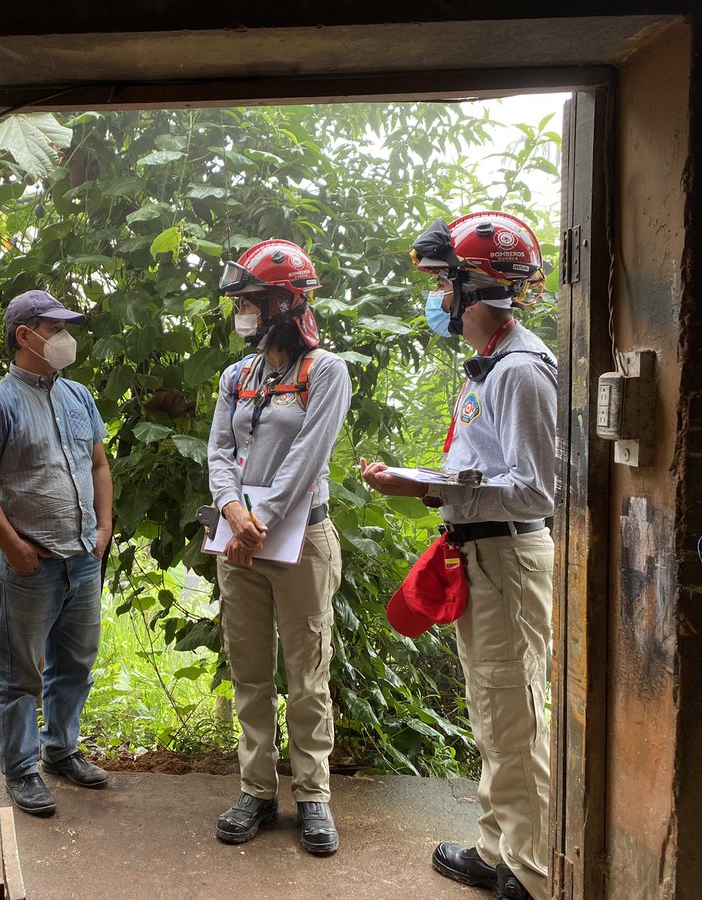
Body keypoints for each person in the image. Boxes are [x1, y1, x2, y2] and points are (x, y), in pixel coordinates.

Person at [360, 211, 555, 900]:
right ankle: (498, 846)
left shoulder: (521, 372)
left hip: (509, 558)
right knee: (493, 709)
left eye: (445, 283)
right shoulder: (488, 366)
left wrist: (430, 483)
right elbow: (487, 472)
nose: (438, 297)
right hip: (481, 555)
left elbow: (535, 489)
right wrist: (428, 486)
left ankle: (531, 873)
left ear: (475, 288)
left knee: (517, 713)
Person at [206, 239, 351, 855]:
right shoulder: (236, 377)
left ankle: (313, 796)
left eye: (250, 302)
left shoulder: (327, 372)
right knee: (250, 670)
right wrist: (232, 511)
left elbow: (307, 457)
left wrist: (256, 519)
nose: (241, 313)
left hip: (300, 539)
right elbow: (217, 451)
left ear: (283, 304)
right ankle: (257, 792)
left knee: (307, 669)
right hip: (239, 541)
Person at [0, 289, 113, 818]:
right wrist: (14, 548)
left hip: (82, 560)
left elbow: (98, 466)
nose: (66, 338)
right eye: (55, 328)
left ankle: (60, 750)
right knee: (19, 671)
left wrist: (105, 526)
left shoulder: (78, 396)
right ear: (25, 336)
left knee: (75, 663)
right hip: (34, 564)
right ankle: (20, 769)